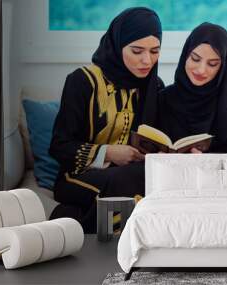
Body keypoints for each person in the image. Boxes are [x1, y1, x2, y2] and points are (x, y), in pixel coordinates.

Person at [49, 7, 163, 233]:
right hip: (75, 177)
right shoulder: (82, 82)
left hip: (131, 173)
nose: (147, 60)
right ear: (118, 44)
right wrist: (108, 153)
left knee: (145, 177)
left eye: (155, 51)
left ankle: (73, 220)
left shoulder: (153, 86)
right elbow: (59, 146)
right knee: (130, 179)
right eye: (137, 51)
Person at [155, 22, 227, 153]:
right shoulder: (164, 97)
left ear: (223, 67)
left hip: (218, 172)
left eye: (212, 64)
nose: (201, 70)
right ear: (185, 56)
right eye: (195, 59)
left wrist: (206, 161)